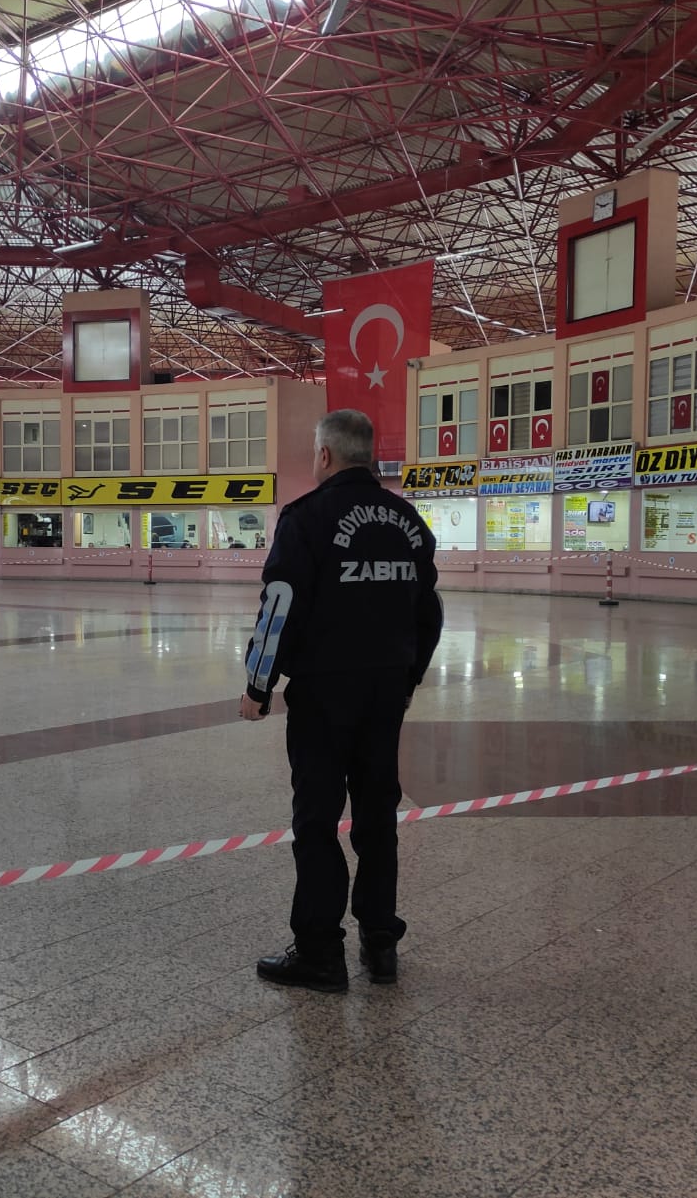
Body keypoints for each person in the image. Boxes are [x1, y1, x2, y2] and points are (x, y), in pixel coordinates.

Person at [238, 409, 443, 993]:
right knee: (377, 816)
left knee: (317, 818)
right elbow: (429, 611)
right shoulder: (408, 519)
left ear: (325, 455)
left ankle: (320, 952)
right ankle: (380, 943)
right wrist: (408, 679)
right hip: (385, 692)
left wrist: (258, 685)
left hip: (324, 694)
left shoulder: (306, 518)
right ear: (369, 454)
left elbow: (280, 605)